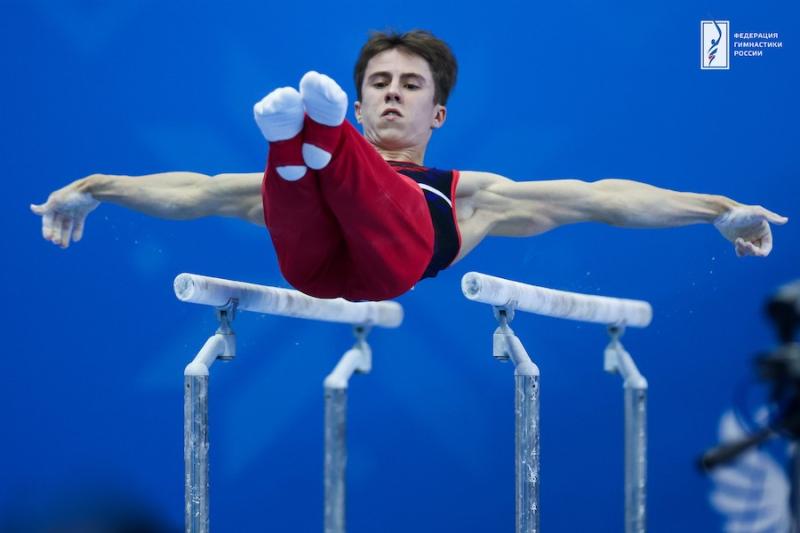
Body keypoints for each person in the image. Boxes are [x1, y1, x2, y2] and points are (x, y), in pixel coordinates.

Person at [30, 30, 788, 301]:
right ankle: (298, 152)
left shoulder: (476, 195)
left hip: (398, 247)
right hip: (313, 258)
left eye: (410, 85)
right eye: (379, 85)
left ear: (438, 114)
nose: (393, 94)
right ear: (360, 105)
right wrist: (95, 188)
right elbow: (194, 190)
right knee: (279, 191)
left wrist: (717, 210)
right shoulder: (431, 178)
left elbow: (602, 197)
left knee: (371, 193)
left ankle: (305, 148)